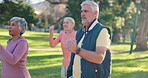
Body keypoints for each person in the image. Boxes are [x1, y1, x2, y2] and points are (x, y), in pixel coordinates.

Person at [66, 1, 112, 78]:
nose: (82, 14)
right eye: (82, 11)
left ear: (95, 13)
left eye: (86, 11)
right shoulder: (80, 31)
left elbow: (99, 57)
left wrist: (77, 50)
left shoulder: (102, 31)